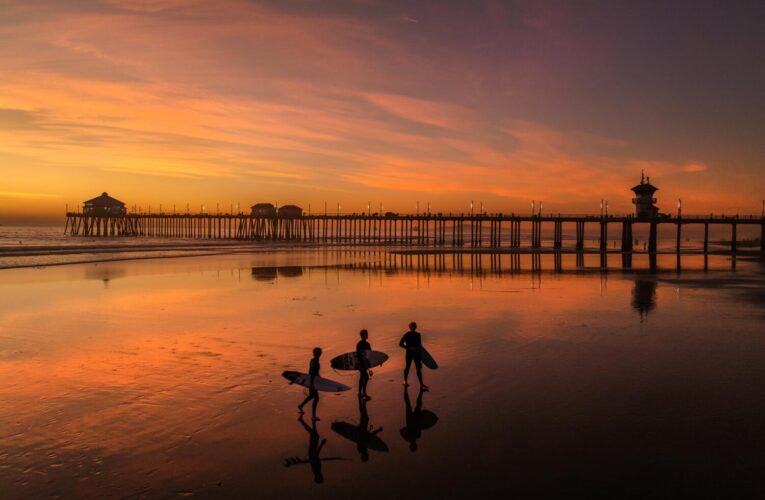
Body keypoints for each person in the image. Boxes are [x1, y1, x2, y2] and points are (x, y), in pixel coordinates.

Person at [399, 321, 427, 390]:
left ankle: (421, 384)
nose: (413, 328)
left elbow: (420, 347)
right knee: (408, 367)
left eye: (414, 326)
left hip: (416, 354)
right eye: (412, 326)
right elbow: (400, 344)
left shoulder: (418, 335)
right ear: (410, 327)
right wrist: (408, 348)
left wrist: (421, 359)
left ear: (415, 327)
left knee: (418, 369)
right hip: (410, 354)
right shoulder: (407, 334)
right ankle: (405, 381)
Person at [298, 347, 322, 420]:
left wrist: (320, 378)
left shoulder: (316, 360)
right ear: (315, 353)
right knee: (316, 398)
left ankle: (301, 406)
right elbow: (311, 372)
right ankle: (313, 416)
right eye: (318, 353)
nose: (319, 354)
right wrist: (311, 384)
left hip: (313, 381)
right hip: (312, 382)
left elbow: (315, 372)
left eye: (319, 353)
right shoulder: (314, 361)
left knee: (312, 396)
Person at [356, 329, 371, 399]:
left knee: (362, 377)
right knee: (365, 377)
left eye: (367, 334)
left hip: (365, 364)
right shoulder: (359, 344)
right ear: (362, 336)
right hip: (361, 364)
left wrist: (378, 362)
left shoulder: (368, 344)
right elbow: (358, 355)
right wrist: (363, 364)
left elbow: (370, 355)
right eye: (365, 334)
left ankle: (360, 393)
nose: (367, 335)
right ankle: (363, 393)